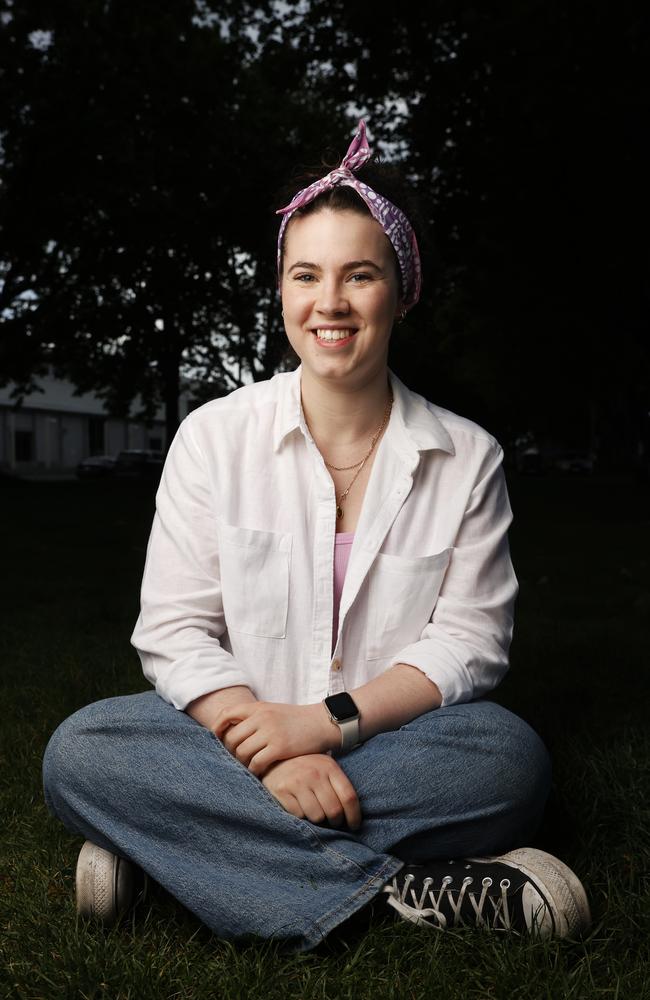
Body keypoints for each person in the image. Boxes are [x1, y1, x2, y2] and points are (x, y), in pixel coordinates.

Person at [42, 120, 591, 949]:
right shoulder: (213, 437)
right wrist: (274, 751)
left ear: (401, 291)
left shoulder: (466, 455)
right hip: (233, 739)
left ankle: (173, 864)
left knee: (508, 756)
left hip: (390, 746)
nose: (328, 302)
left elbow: (472, 641)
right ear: (281, 289)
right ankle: (408, 894)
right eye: (306, 275)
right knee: (84, 750)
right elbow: (174, 630)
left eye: (358, 275)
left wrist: (326, 726)